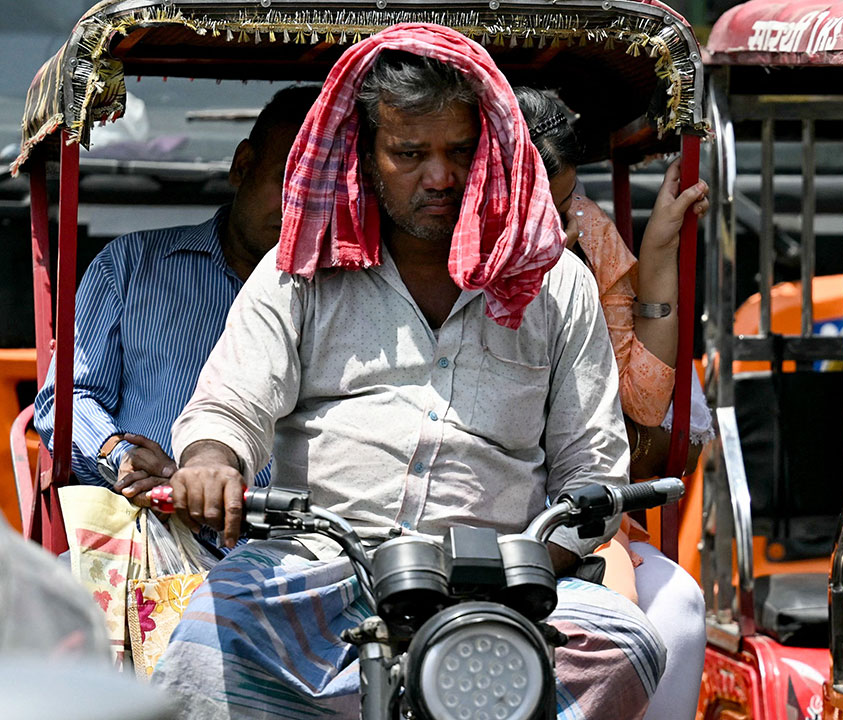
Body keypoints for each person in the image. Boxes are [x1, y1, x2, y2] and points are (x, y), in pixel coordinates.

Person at [150, 25, 663, 720]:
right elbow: (230, 405)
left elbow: (591, 467)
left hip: (505, 583)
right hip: (321, 571)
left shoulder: (558, 285)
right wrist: (211, 459)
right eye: (409, 153)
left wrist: (531, 568)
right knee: (208, 637)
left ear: (490, 152)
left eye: (458, 152)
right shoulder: (299, 269)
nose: (440, 177)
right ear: (364, 157)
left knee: (626, 642)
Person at [516, 86, 711, 720]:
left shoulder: (585, 241)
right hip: (464, 515)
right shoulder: (430, 258)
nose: (560, 214)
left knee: (671, 611)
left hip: (575, 513)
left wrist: (653, 253)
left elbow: (647, 405)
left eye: (568, 198)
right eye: (544, 199)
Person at [32, 86, 321, 505]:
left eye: (323, 191)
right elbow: (68, 399)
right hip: (149, 523)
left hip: (296, 539)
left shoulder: (348, 290)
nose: (300, 207)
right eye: (288, 181)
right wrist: (122, 457)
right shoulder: (131, 264)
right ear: (242, 166)